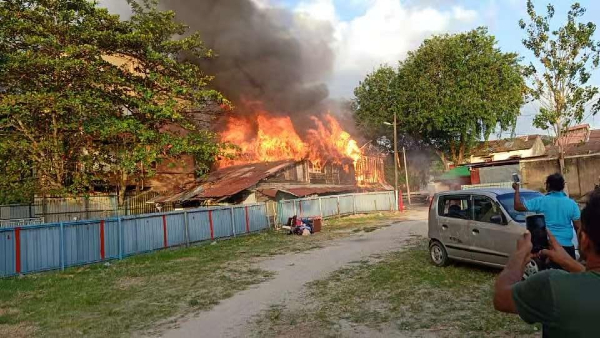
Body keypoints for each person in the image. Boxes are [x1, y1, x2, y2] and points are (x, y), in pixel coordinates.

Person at [494, 189, 600, 337]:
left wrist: (519, 255)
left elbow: (500, 297)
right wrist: (569, 262)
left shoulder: (552, 285)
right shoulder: (570, 203)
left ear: (584, 239)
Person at [513, 173, 581, 265]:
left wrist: (517, 190)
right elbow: (578, 227)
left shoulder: (541, 201)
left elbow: (518, 206)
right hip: (568, 248)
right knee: (568, 277)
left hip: (548, 247)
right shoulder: (572, 204)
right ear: (563, 186)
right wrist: (581, 248)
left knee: (548, 277)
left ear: (548, 185)